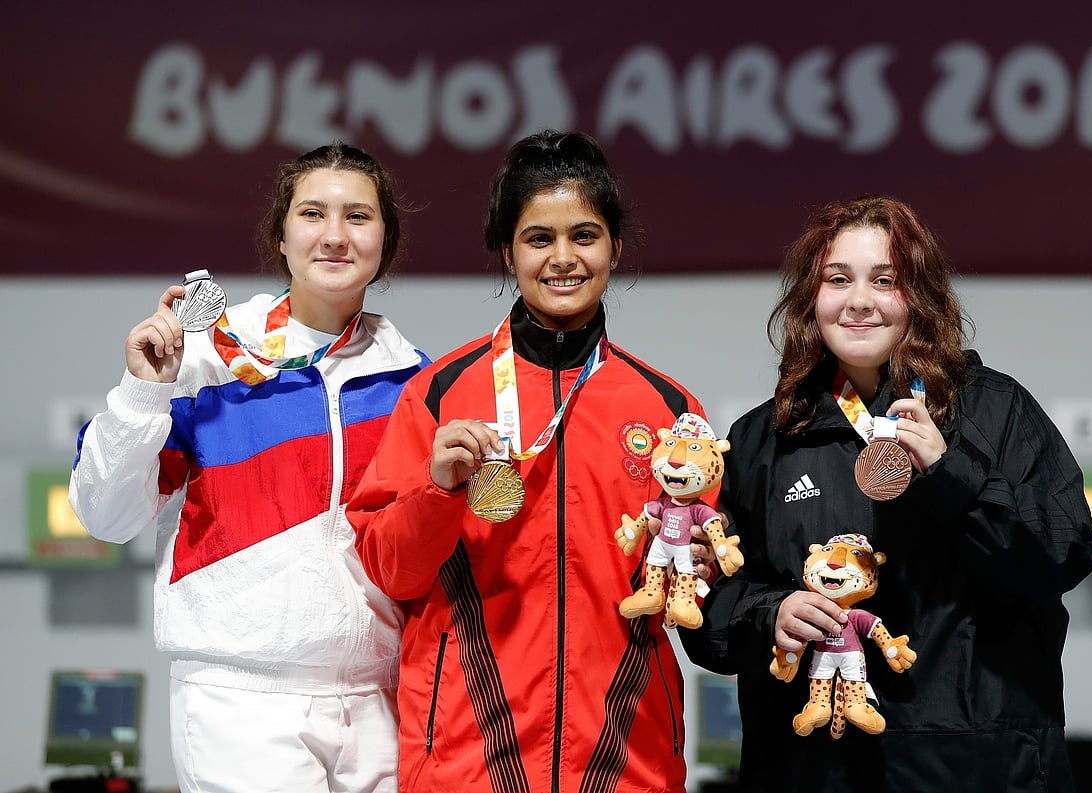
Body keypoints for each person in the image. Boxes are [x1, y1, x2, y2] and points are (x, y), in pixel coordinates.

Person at [679, 194, 1092, 793]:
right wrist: (770, 613)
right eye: (837, 279)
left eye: (885, 280)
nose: (858, 301)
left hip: (975, 768)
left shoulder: (992, 410)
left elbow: (1065, 550)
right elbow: (708, 609)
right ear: (811, 299)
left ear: (919, 296)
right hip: (812, 769)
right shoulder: (762, 440)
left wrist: (950, 471)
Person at [347, 129, 710, 793]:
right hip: (464, 763)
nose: (563, 257)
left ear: (616, 246)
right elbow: (391, 572)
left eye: (585, 234)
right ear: (507, 251)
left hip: (628, 764)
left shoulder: (669, 411)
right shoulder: (441, 394)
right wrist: (437, 488)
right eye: (539, 237)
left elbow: (704, 585)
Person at [69, 143, 430, 793]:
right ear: (282, 236)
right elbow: (105, 515)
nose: (335, 235)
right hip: (240, 698)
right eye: (313, 213)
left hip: (381, 699)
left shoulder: (414, 379)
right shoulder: (204, 359)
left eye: (359, 216)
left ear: (386, 240)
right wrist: (144, 391)